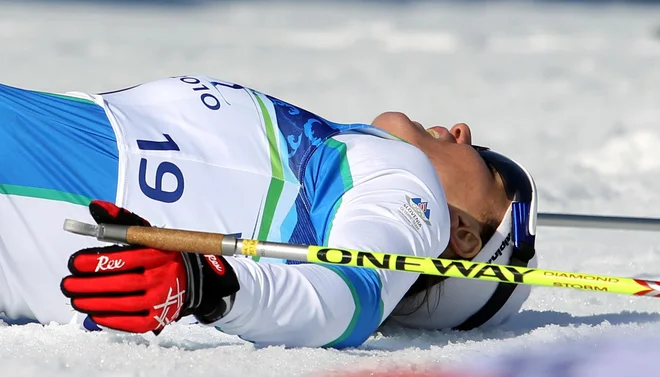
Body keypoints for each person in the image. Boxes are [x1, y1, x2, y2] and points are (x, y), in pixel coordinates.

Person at [0, 75, 538, 349]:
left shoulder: (403, 180)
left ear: (463, 236)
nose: (466, 132)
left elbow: (349, 297)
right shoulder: (347, 153)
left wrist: (205, 284)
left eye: (494, 168)